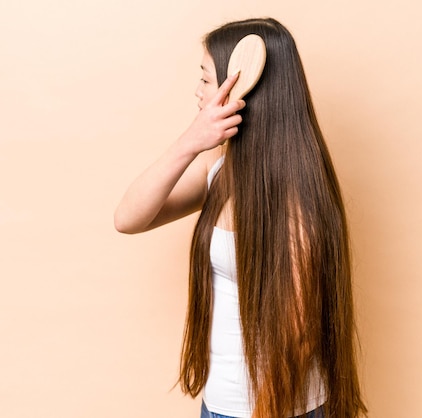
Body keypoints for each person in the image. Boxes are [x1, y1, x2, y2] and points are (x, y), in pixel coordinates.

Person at [114, 17, 366, 418]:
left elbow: (298, 335)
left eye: (206, 80)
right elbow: (129, 218)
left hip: (279, 409)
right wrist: (190, 142)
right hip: (220, 404)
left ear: (241, 85)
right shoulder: (220, 173)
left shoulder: (296, 198)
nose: (197, 91)